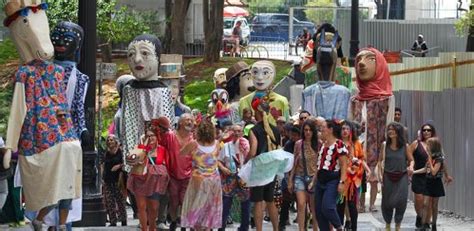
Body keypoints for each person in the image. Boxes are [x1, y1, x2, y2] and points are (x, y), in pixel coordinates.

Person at [180, 119, 223, 230]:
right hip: (214, 180)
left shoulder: (194, 144)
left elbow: (181, 154)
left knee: (196, 207)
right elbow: (216, 158)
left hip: (198, 179)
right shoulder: (217, 144)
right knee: (210, 208)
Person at [157, 114, 195, 231]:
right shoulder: (170, 136)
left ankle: (183, 224)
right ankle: (173, 220)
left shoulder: (194, 138)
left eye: (191, 120)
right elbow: (160, 150)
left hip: (189, 174)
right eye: (187, 120)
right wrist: (161, 166)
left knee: (185, 200)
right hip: (172, 174)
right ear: (180, 123)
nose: (190, 122)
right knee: (173, 201)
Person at [248, 99, 281, 231]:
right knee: (270, 200)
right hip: (272, 169)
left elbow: (253, 151)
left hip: (259, 169)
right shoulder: (276, 130)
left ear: (258, 112)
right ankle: (276, 229)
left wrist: (246, 162)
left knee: (258, 201)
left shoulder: (253, 130)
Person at [127, 128, 169, 231]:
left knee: (153, 208)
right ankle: (144, 229)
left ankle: (152, 228)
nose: (150, 138)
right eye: (148, 136)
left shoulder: (162, 149)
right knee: (141, 207)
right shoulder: (140, 149)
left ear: (157, 137)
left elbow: (167, 164)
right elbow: (130, 160)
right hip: (140, 179)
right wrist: (142, 149)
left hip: (155, 182)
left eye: (152, 135)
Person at [378, 122, 414, 231]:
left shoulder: (405, 146)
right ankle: (388, 224)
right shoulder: (384, 145)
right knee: (387, 202)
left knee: (401, 201)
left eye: (393, 129)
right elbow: (380, 161)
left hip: (402, 177)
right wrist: (380, 174)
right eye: (389, 129)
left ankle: (398, 224)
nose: (390, 132)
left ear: (398, 132)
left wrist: (411, 167)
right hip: (387, 177)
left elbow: (411, 160)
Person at [313, 120, 348, 231]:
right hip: (320, 181)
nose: (321, 129)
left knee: (327, 207)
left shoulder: (339, 144)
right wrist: (313, 181)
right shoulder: (323, 145)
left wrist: (342, 182)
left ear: (330, 129)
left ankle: (339, 227)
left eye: (323, 127)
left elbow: (343, 165)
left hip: (332, 180)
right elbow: (320, 166)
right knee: (319, 212)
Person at [337, 121, 371, 231]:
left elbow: (361, 159)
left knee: (352, 205)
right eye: (343, 129)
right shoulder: (337, 143)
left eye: (347, 129)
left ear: (351, 130)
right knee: (340, 205)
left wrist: (368, 170)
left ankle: (354, 227)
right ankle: (340, 227)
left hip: (353, 179)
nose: (345, 131)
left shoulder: (356, 143)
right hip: (340, 178)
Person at [218, 124, 251, 231]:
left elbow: (250, 160)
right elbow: (218, 161)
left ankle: (244, 227)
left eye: (239, 131)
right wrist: (223, 169)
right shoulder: (226, 146)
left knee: (245, 203)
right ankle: (221, 227)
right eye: (234, 131)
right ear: (231, 132)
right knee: (226, 202)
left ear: (242, 133)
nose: (237, 133)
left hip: (243, 177)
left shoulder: (246, 145)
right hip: (229, 177)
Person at [288, 120, 319, 231]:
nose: (308, 132)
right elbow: (295, 162)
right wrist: (290, 180)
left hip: (314, 177)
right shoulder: (298, 144)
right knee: (301, 204)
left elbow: (320, 163)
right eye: (305, 130)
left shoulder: (318, 144)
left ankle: (315, 228)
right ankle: (301, 229)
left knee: (314, 206)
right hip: (300, 176)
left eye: (310, 130)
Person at [415, 137, 446, 231]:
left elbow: (433, 172)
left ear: (433, 146)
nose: (426, 147)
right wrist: (414, 172)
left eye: (428, 145)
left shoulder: (439, 158)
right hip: (428, 182)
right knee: (425, 203)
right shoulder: (430, 156)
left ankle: (434, 225)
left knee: (434, 205)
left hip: (436, 182)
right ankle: (424, 224)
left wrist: (429, 160)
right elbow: (425, 169)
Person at [408, 123, 435, 229]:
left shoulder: (435, 144)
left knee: (429, 201)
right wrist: (410, 167)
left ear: (432, 132)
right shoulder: (416, 144)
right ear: (421, 132)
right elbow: (409, 156)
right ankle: (419, 216)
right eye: (424, 130)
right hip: (418, 175)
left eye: (429, 130)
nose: (426, 132)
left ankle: (426, 222)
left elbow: (441, 158)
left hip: (431, 176)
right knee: (419, 199)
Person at [101, 135, 127, 227]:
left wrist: (119, 166)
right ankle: (113, 221)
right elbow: (104, 164)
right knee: (110, 200)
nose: (110, 141)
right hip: (108, 179)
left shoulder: (120, 151)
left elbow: (125, 162)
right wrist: (102, 177)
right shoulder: (106, 153)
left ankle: (123, 219)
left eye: (111, 140)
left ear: (115, 141)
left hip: (118, 179)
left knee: (120, 200)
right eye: (108, 140)